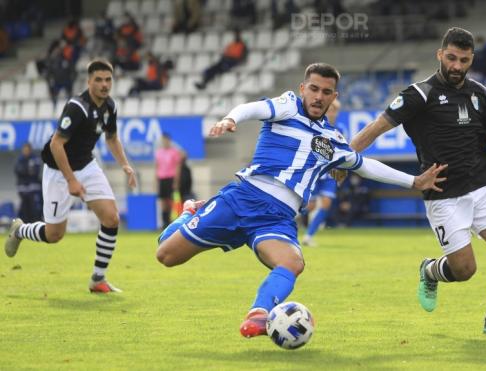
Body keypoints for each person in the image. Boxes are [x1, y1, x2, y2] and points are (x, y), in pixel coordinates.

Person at [155, 63, 447, 339]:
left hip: (277, 218)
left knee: (293, 262)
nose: (318, 97)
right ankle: (192, 211)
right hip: (242, 199)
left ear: (334, 97)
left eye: (326, 92)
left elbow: (366, 165)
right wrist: (232, 118)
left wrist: (414, 181)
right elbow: (254, 107)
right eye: (314, 89)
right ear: (303, 88)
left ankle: (259, 314)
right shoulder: (287, 105)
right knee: (166, 256)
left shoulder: (333, 141)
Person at [349, 28, 486, 336]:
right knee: (465, 270)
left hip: (483, 183)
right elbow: (377, 127)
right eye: (451, 58)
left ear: (471, 60)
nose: (456, 66)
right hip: (443, 193)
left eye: (463, 60)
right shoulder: (419, 94)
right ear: (440, 55)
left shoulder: (479, 92)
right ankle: (429, 271)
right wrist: (346, 156)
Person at [4, 60, 137, 293]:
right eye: (99, 80)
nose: (104, 85)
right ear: (89, 81)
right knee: (54, 235)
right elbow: (56, 144)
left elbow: (112, 138)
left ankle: (98, 279)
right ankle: (20, 230)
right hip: (58, 171)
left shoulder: (110, 107)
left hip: (86, 165)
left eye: (108, 80)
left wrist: (125, 165)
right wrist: (71, 180)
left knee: (111, 219)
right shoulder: (77, 107)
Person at [302, 98, 341, 246]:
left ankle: (308, 236)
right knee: (310, 206)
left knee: (326, 203)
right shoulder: (315, 127)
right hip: (315, 171)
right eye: (330, 110)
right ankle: (292, 221)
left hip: (330, 173)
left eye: (335, 110)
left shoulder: (339, 130)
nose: (333, 113)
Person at [155, 133, 181, 229]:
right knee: (163, 202)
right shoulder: (158, 152)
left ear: (169, 141)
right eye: (163, 140)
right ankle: (164, 222)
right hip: (162, 178)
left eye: (166, 140)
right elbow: (157, 167)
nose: (164, 142)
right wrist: (156, 181)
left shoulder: (174, 152)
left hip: (170, 178)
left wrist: (176, 181)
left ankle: (170, 221)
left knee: (170, 201)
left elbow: (177, 167)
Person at [14, 143, 43, 223]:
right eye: (24, 150)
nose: (26, 151)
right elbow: (18, 171)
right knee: (24, 210)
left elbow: (35, 172)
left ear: (30, 150)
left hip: (34, 189)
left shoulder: (35, 159)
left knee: (35, 210)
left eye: (27, 150)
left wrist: (25, 170)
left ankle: (36, 226)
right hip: (23, 189)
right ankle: (24, 227)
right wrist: (27, 170)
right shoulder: (19, 159)